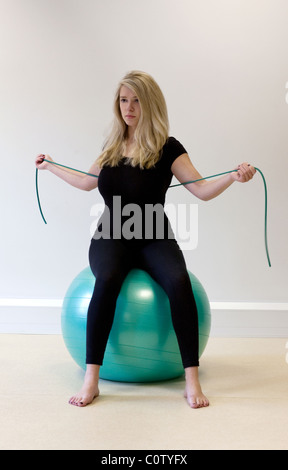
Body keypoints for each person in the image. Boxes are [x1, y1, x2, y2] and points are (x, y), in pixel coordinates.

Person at [35, 70, 256, 409]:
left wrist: (231, 176)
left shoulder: (168, 148)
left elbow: (200, 189)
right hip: (111, 234)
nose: (129, 107)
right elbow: (86, 182)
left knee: (179, 282)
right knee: (107, 278)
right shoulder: (111, 146)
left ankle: (191, 379)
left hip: (154, 235)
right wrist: (50, 166)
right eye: (124, 100)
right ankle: (91, 379)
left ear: (149, 104)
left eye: (136, 100)